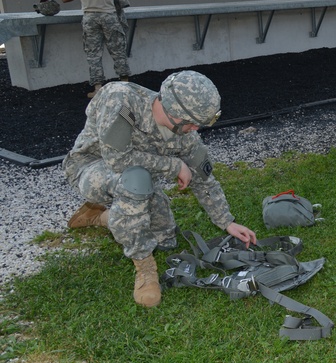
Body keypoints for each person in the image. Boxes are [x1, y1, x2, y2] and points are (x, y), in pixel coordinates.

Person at [63, 71, 257, 308]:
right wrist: (174, 166)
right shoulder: (121, 100)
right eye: (192, 123)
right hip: (91, 167)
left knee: (165, 239)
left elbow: (203, 179)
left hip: (140, 179)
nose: (195, 129)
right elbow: (117, 159)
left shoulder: (184, 133)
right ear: (175, 111)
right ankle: (145, 268)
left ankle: (97, 216)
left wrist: (226, 221)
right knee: (135, 182)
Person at [61, 0, 131, 98]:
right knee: (118, 50)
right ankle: (125, 84)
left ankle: (98, 88)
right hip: (109, 17)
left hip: (90, 18)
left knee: (93, 54)